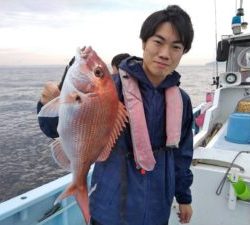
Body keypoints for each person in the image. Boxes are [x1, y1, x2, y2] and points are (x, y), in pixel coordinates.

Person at [37, 5, 194, 225]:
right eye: (158, 42)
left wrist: (184, 197)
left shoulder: (182, 101)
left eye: (176, 47)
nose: (165, 54)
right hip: (109, 210)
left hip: (159, 209)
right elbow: (54, 128)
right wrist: (46, 103)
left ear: (183, 52)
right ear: (144, 43)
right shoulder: (111, 90)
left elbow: (182, 154)